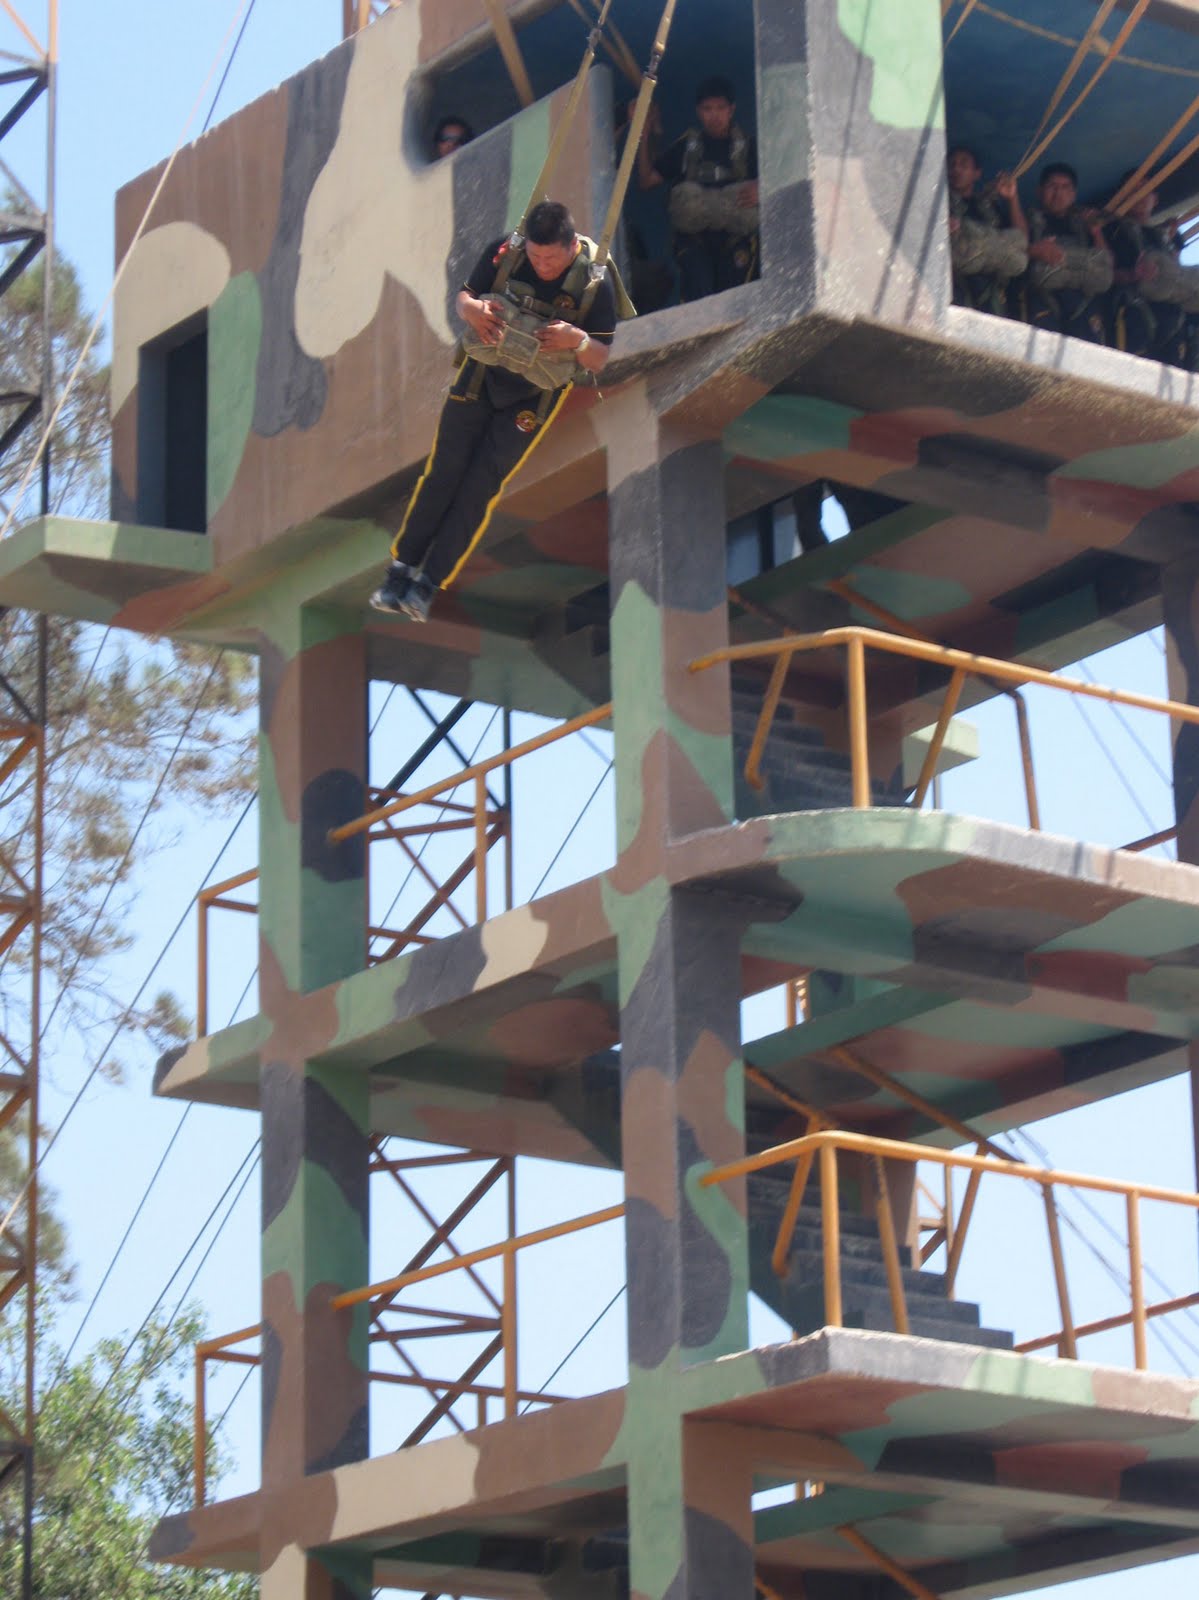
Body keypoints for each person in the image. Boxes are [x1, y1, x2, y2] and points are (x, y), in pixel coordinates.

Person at [371, 202, 628, 623]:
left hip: (530, 400)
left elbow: (599, 358)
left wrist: (576, 340)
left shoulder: (593, 284)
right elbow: (464, 296)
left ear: (570, 247)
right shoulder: (506, 253)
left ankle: (427, 584)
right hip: (480, 380)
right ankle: (399, 571)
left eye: (551, 258)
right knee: (444, 472)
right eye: (536, 256)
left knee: (479, 489)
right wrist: (470, 310)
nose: (542, 265)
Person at [637, 74, 759, 302]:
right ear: (698, 111)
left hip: (735, 240)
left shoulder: (749, 147)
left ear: (731, 110)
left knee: (736, 298)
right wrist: (643, 132)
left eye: (721, 108)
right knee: (698, 291)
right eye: (707, 109)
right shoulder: (687, 146)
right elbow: (647, 180)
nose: (714, 116)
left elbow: (784, 180)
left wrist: (763, 187)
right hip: (694, 241)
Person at [1103, 173, 1191, 366]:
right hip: (1133, 310)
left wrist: (1171, 242)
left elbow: (1176, 271)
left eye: (1145, 189)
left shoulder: (1165, 236)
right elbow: (1104, 273)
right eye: (1134, 190)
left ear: (1155, 198)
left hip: (1170, 314)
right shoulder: (1111, 230)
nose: (1140, 195)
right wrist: (1133, 275)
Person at [1024, 162, 1112, 342]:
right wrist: (1034, 250)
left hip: (1083, 304)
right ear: (1039, 191)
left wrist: (1096, 231)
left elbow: (1106, 263)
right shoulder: (1028, 221)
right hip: (1043, 301)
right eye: (1052, 186)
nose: (1058, 193)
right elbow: (1014, 250)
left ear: (1073, 194)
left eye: (1065, 188)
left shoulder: (1084, 226)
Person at [946, 144, 1027, 315]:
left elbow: (1022, 240)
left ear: (977, 173)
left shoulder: (989, 208)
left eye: (963, 164)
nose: (956, 169)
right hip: (956, 288)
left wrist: (1012, 198)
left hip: (992, 291)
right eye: (952, 164)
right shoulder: (940, 205)